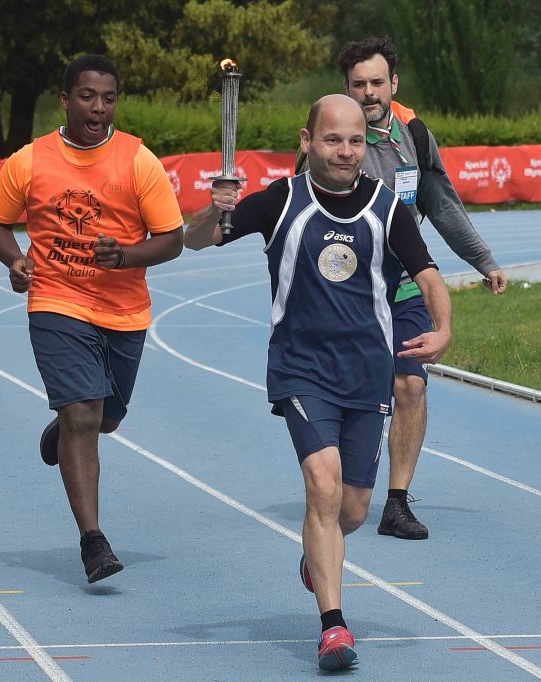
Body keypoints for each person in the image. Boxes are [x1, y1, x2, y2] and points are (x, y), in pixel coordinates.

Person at [185, 94, 452, 671]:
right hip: (302, 370)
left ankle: (317, 554)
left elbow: (428, 274)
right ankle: (333, 626)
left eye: (355, 141)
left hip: (367, 373)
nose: (345, 151)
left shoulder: (386, 207)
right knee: (323, 486)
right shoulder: (281, 201)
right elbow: (194, 238)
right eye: (332, 140)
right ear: (308, 142)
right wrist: (214, 210)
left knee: (352, 510)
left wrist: (443, 328)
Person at [0, 54, 184, 584]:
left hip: (124, 310)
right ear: (66, 100)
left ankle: (64, 430)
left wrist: (127, 256)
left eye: (108, 98)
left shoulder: (138, 160)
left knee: (105, 418)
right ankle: (93, 540)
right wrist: (15, 261)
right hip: (57, 301)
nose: (98, 108)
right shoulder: (30, 160)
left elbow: (172, 239)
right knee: (83, 414)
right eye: (88, 97)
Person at [339, 36, 508, 540]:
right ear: (346, 89)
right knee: (352, 392)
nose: (369, 93)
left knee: (410, 384)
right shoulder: (335, 137)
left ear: (394, 83)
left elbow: (441, 203)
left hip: (405, 285)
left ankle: (396, 503)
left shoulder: (413, 134)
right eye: (358, 84)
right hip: (349, 289)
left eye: (377, 82)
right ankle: (340, 484)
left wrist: (483, 261)